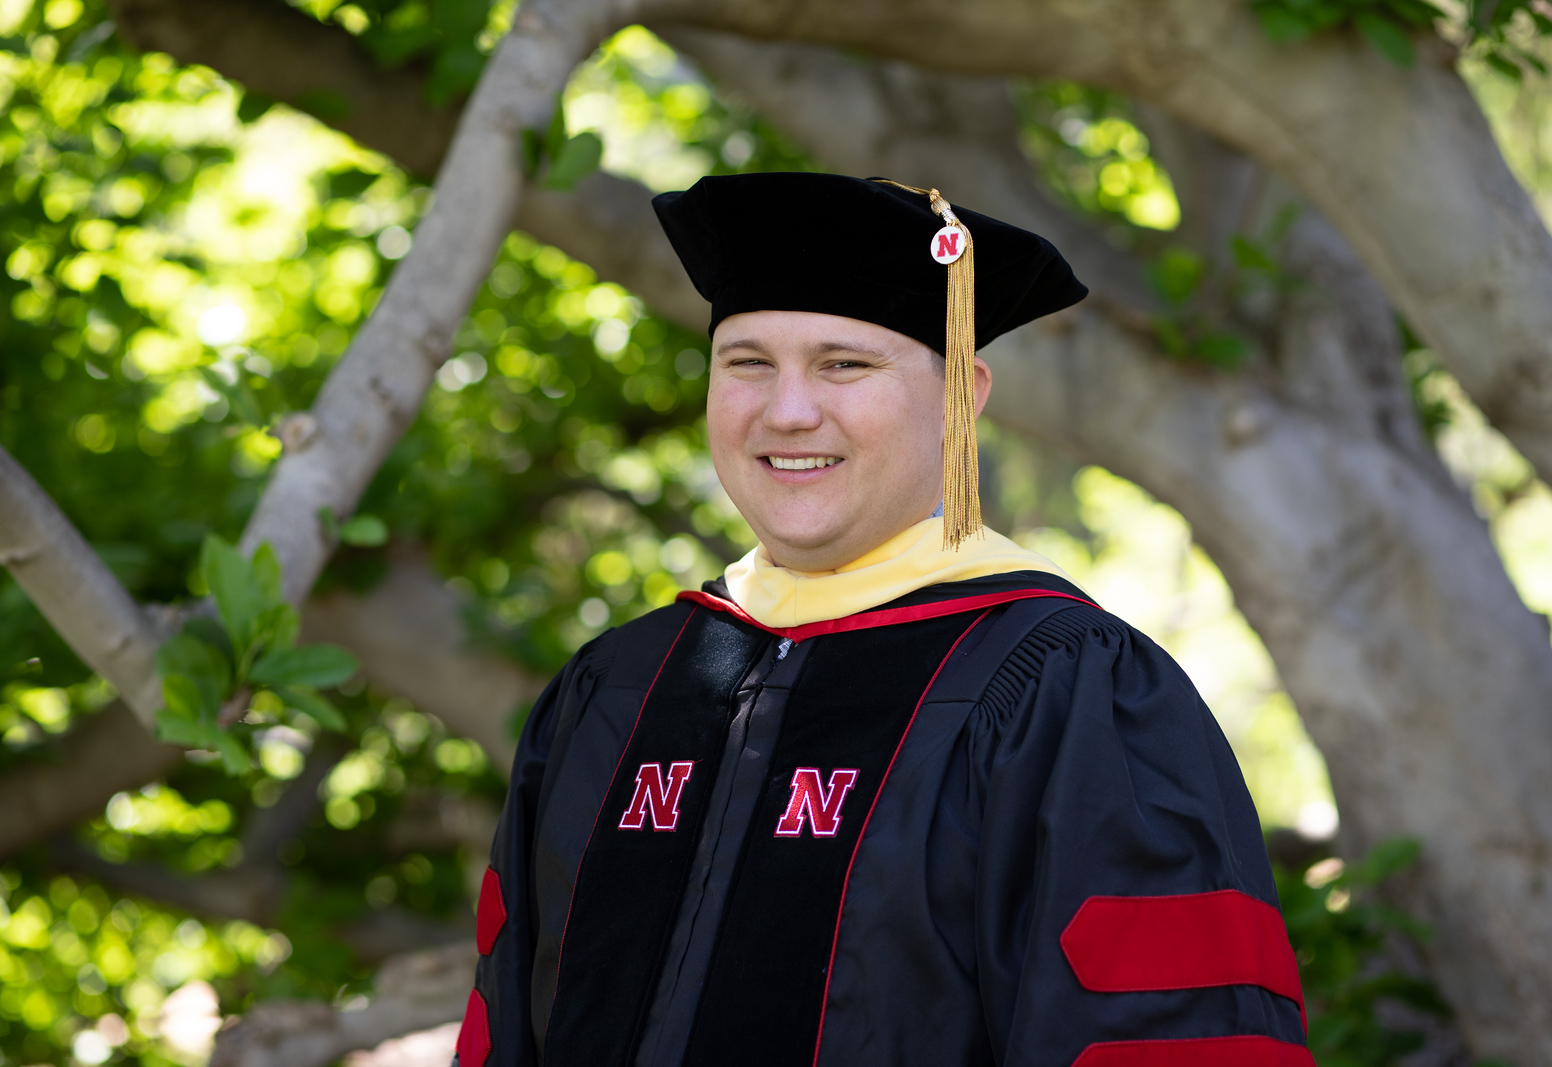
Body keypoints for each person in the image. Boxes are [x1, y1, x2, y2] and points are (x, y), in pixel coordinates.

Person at [452, 173, 1311, 1067]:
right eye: (747, 362)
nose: (787, 410)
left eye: (844, 364)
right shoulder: (618, 688)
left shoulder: (1066, 694)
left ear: (961, 398)